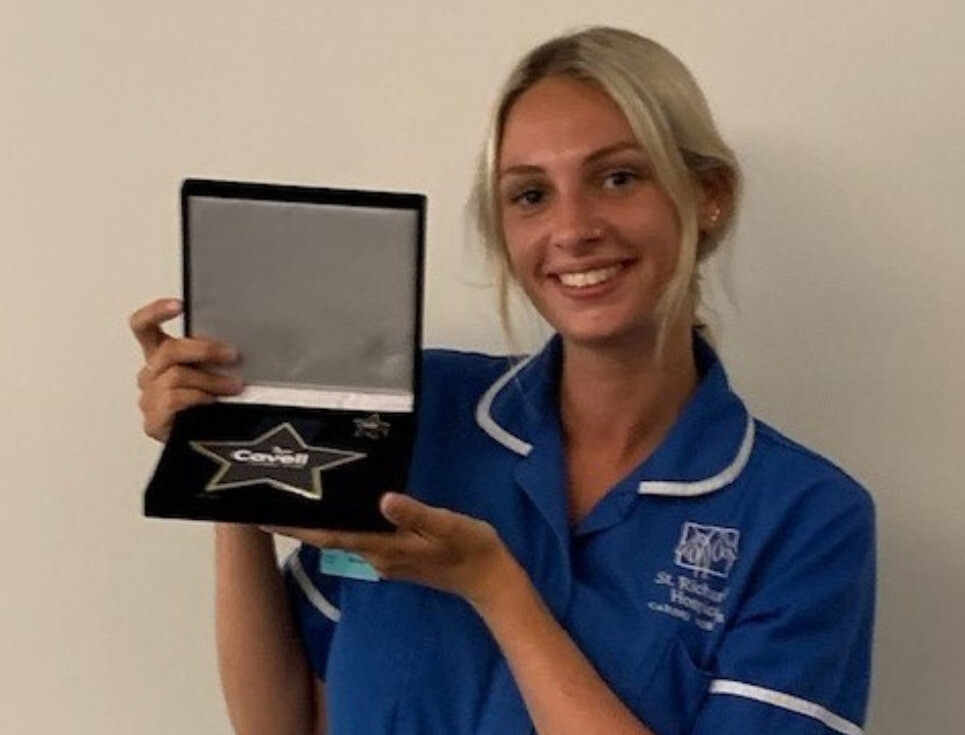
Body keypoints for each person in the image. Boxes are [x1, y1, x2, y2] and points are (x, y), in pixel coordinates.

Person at [130, 26, 875, 735]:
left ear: (707, 195)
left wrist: (496, 589)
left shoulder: (805, 519)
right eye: (529, 194)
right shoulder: (418, 412)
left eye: (617, 177)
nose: (572, 227)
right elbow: (282, 720)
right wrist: (225, 450)